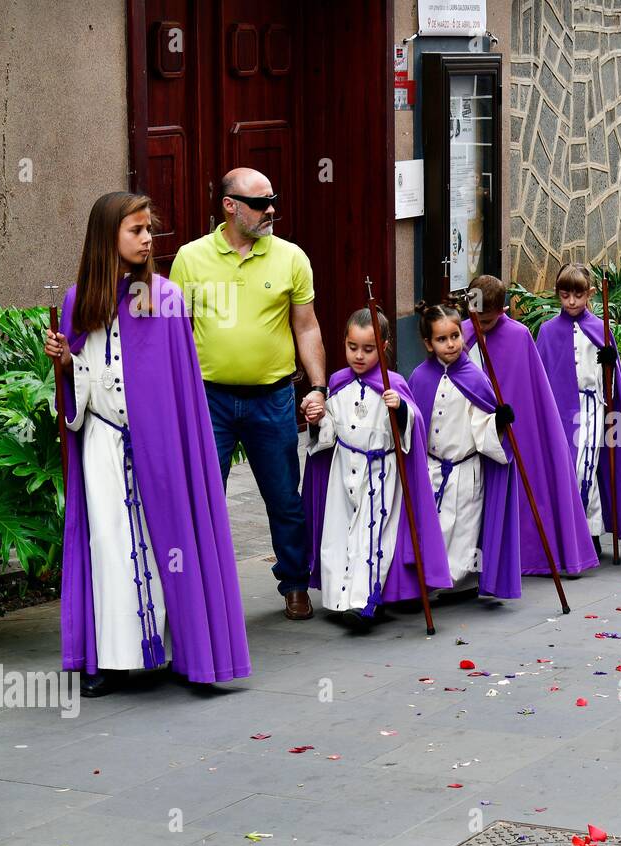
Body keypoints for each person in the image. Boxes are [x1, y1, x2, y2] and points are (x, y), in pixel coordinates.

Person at [45, 191, 250, 696]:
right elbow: (86, 377)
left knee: (172, 544)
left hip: (159, 447)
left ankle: (188, 652)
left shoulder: (166, 298)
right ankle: (112, 660)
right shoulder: (79, 301)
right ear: (106, 239)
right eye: (135, 230)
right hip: (103, 443)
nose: (146, 239)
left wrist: (171, 443)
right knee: (110, 545)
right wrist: (67, 365)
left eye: (147, 230)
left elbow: (178, 386)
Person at [167, 168, 326, 622]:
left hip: (271, 398)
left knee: (283, 499)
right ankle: (197, 591)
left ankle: (294, 583)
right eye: (260, 202)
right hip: (208, 400)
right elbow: (176, 332)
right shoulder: (190, 258)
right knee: (202, 497)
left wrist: (317, 387)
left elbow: (306, 325)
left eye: (273, 199)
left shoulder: (291, 257)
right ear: (230, 206)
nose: (271, 209)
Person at [301, 308, 451, 631]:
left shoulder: (392, 384)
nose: (359, 355)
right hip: (343, 470)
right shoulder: (337, 383)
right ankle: (339, 599)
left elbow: (413, 426)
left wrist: (400, 411)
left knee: (373, 538)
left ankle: (365, 602)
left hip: (379, 473)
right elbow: (328, 432)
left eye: (368, 349)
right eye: (352, 347)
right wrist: (317, 419)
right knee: (339, 537)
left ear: (383, 346)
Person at [461, 274, 601, 571]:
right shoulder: (460, 335)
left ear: (502, 311)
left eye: (486, 321)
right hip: (468, 430)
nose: (479, 326)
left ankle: (521, 553)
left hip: (511, 429)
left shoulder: (518, 335)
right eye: (475, 318)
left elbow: (534, 389)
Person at [534, 264, 621, 546]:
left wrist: (609, 364)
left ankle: (588, 531)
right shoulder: (547, 332)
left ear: (590, 294)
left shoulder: (599, 329)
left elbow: (614, 382)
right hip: (561, 411)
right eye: (565, 295)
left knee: (585, 467)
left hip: (593, 405)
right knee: (566, 467)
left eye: (577, 295)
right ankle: (572, 531)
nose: (571, 302)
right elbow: (541, 377)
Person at [407, 302, 521, 600]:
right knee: (435, 527)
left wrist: (498, 421)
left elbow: (483, 422)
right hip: (432, 468)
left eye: (455, 336)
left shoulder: (475, 377)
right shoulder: (419, 377)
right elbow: (412, 424)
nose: (450, 344)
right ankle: (431, 580)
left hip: (466, 470)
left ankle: (463, 583)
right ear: (428, 344)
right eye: (442, 339)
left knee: (465, 529)